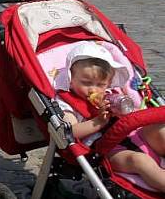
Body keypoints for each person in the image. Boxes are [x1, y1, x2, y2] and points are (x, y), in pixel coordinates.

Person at [55, 41, 165, 193]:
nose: (93, 89)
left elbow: (130, 114)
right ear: (70, 79)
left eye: (100, 84)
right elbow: (70, 132)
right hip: (106, 150)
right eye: (86, 83)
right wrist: (98, 121)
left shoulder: (111, 96)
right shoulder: (68, 103)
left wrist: (121, 109)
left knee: (161, 131)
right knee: (139, 161)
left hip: (132, 134)